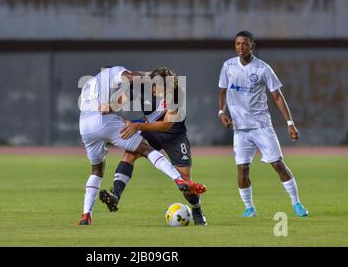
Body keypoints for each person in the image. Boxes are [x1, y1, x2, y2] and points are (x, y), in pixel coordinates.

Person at [78, 66, 205, 225]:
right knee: (129, 154)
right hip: (149, 128)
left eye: (165, 87)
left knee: (185, 177)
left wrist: (137, 126)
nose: (159, 91)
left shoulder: (177, 94)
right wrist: (110, 108)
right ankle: (115, 195)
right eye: (157, 86)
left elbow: (166, 125)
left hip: (174, 135)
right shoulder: (140, 87)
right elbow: (121, 100)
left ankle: (196, 209)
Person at [217, 30, 308, 218]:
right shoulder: (228, 66)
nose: (241, 47)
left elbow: (277, 96)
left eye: (245, 44)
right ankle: (249, 208)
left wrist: (290, 123)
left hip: (261, 127)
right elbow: (222, 92)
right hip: (240, 130)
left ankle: (296, 203)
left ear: (252, 46)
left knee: (277, 164)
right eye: (237, 44)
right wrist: (221, 112)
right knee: (242, 168)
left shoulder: (263, 68)